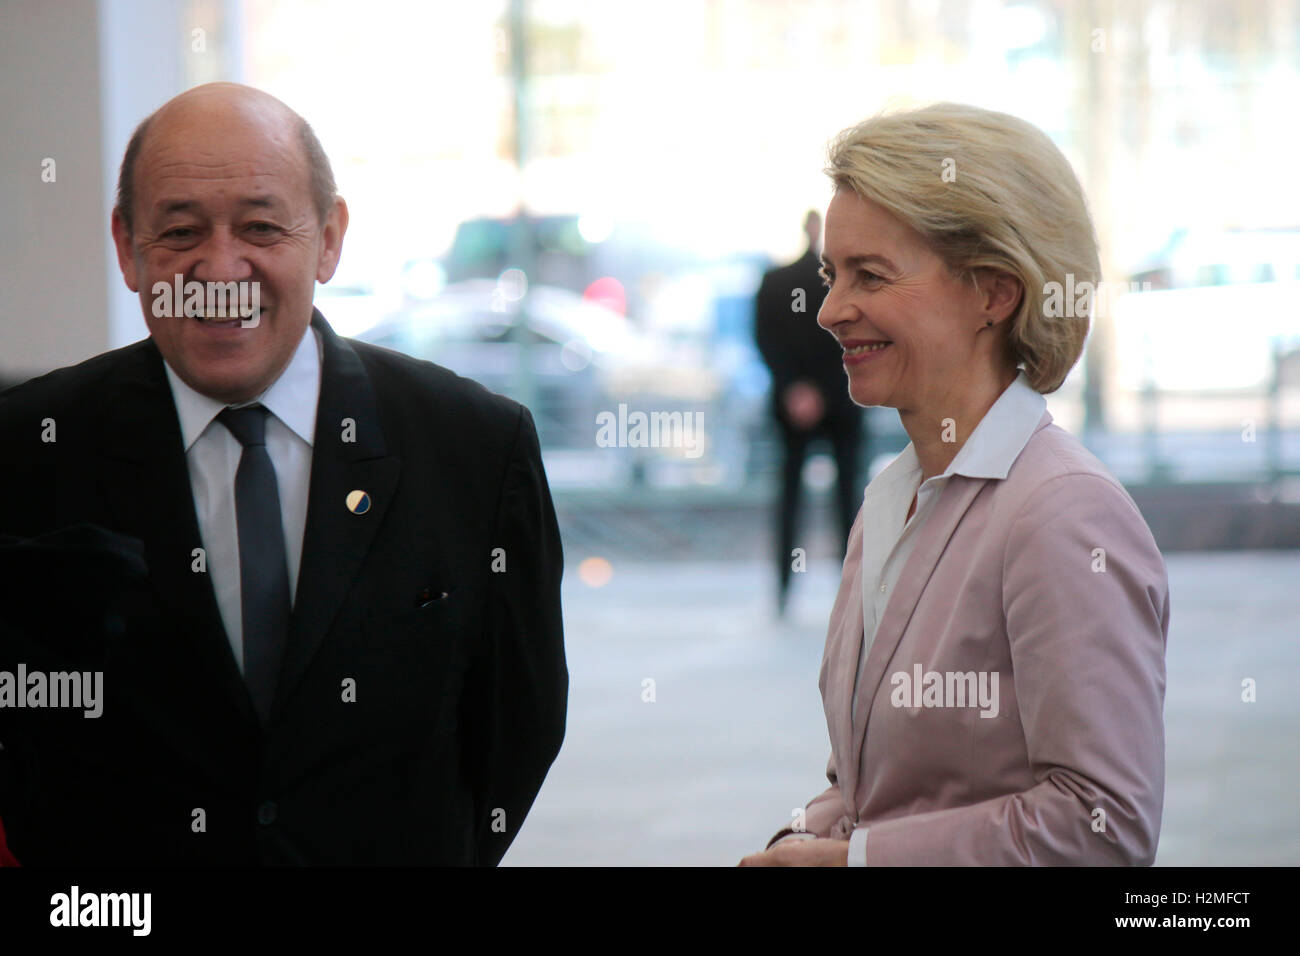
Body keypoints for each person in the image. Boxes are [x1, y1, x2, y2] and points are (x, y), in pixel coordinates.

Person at [0, 83, 568, 866]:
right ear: (128, 248)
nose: (221, 265)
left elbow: (519, 727)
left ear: (329, 239)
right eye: (179, 230)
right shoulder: (28, 447)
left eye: (262, 227)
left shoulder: (474, 447)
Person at [740, 103, 1169, 866]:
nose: (833, 309)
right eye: (833, 275)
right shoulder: (892, 499)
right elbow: (872, 784)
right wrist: (798, 835)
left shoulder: (1063, 513)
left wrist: (852, 861)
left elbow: (1102, 827)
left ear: (993, 293)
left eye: (870, 274)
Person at [755, 211, 865, 616]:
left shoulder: (774, 281)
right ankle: (852, 591)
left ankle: (784, 590)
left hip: (793, 405)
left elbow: (764, 340)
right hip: (842, 401)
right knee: (849, 502)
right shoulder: (849, 283)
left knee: (789, 498)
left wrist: (795, 388)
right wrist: (825, 389)